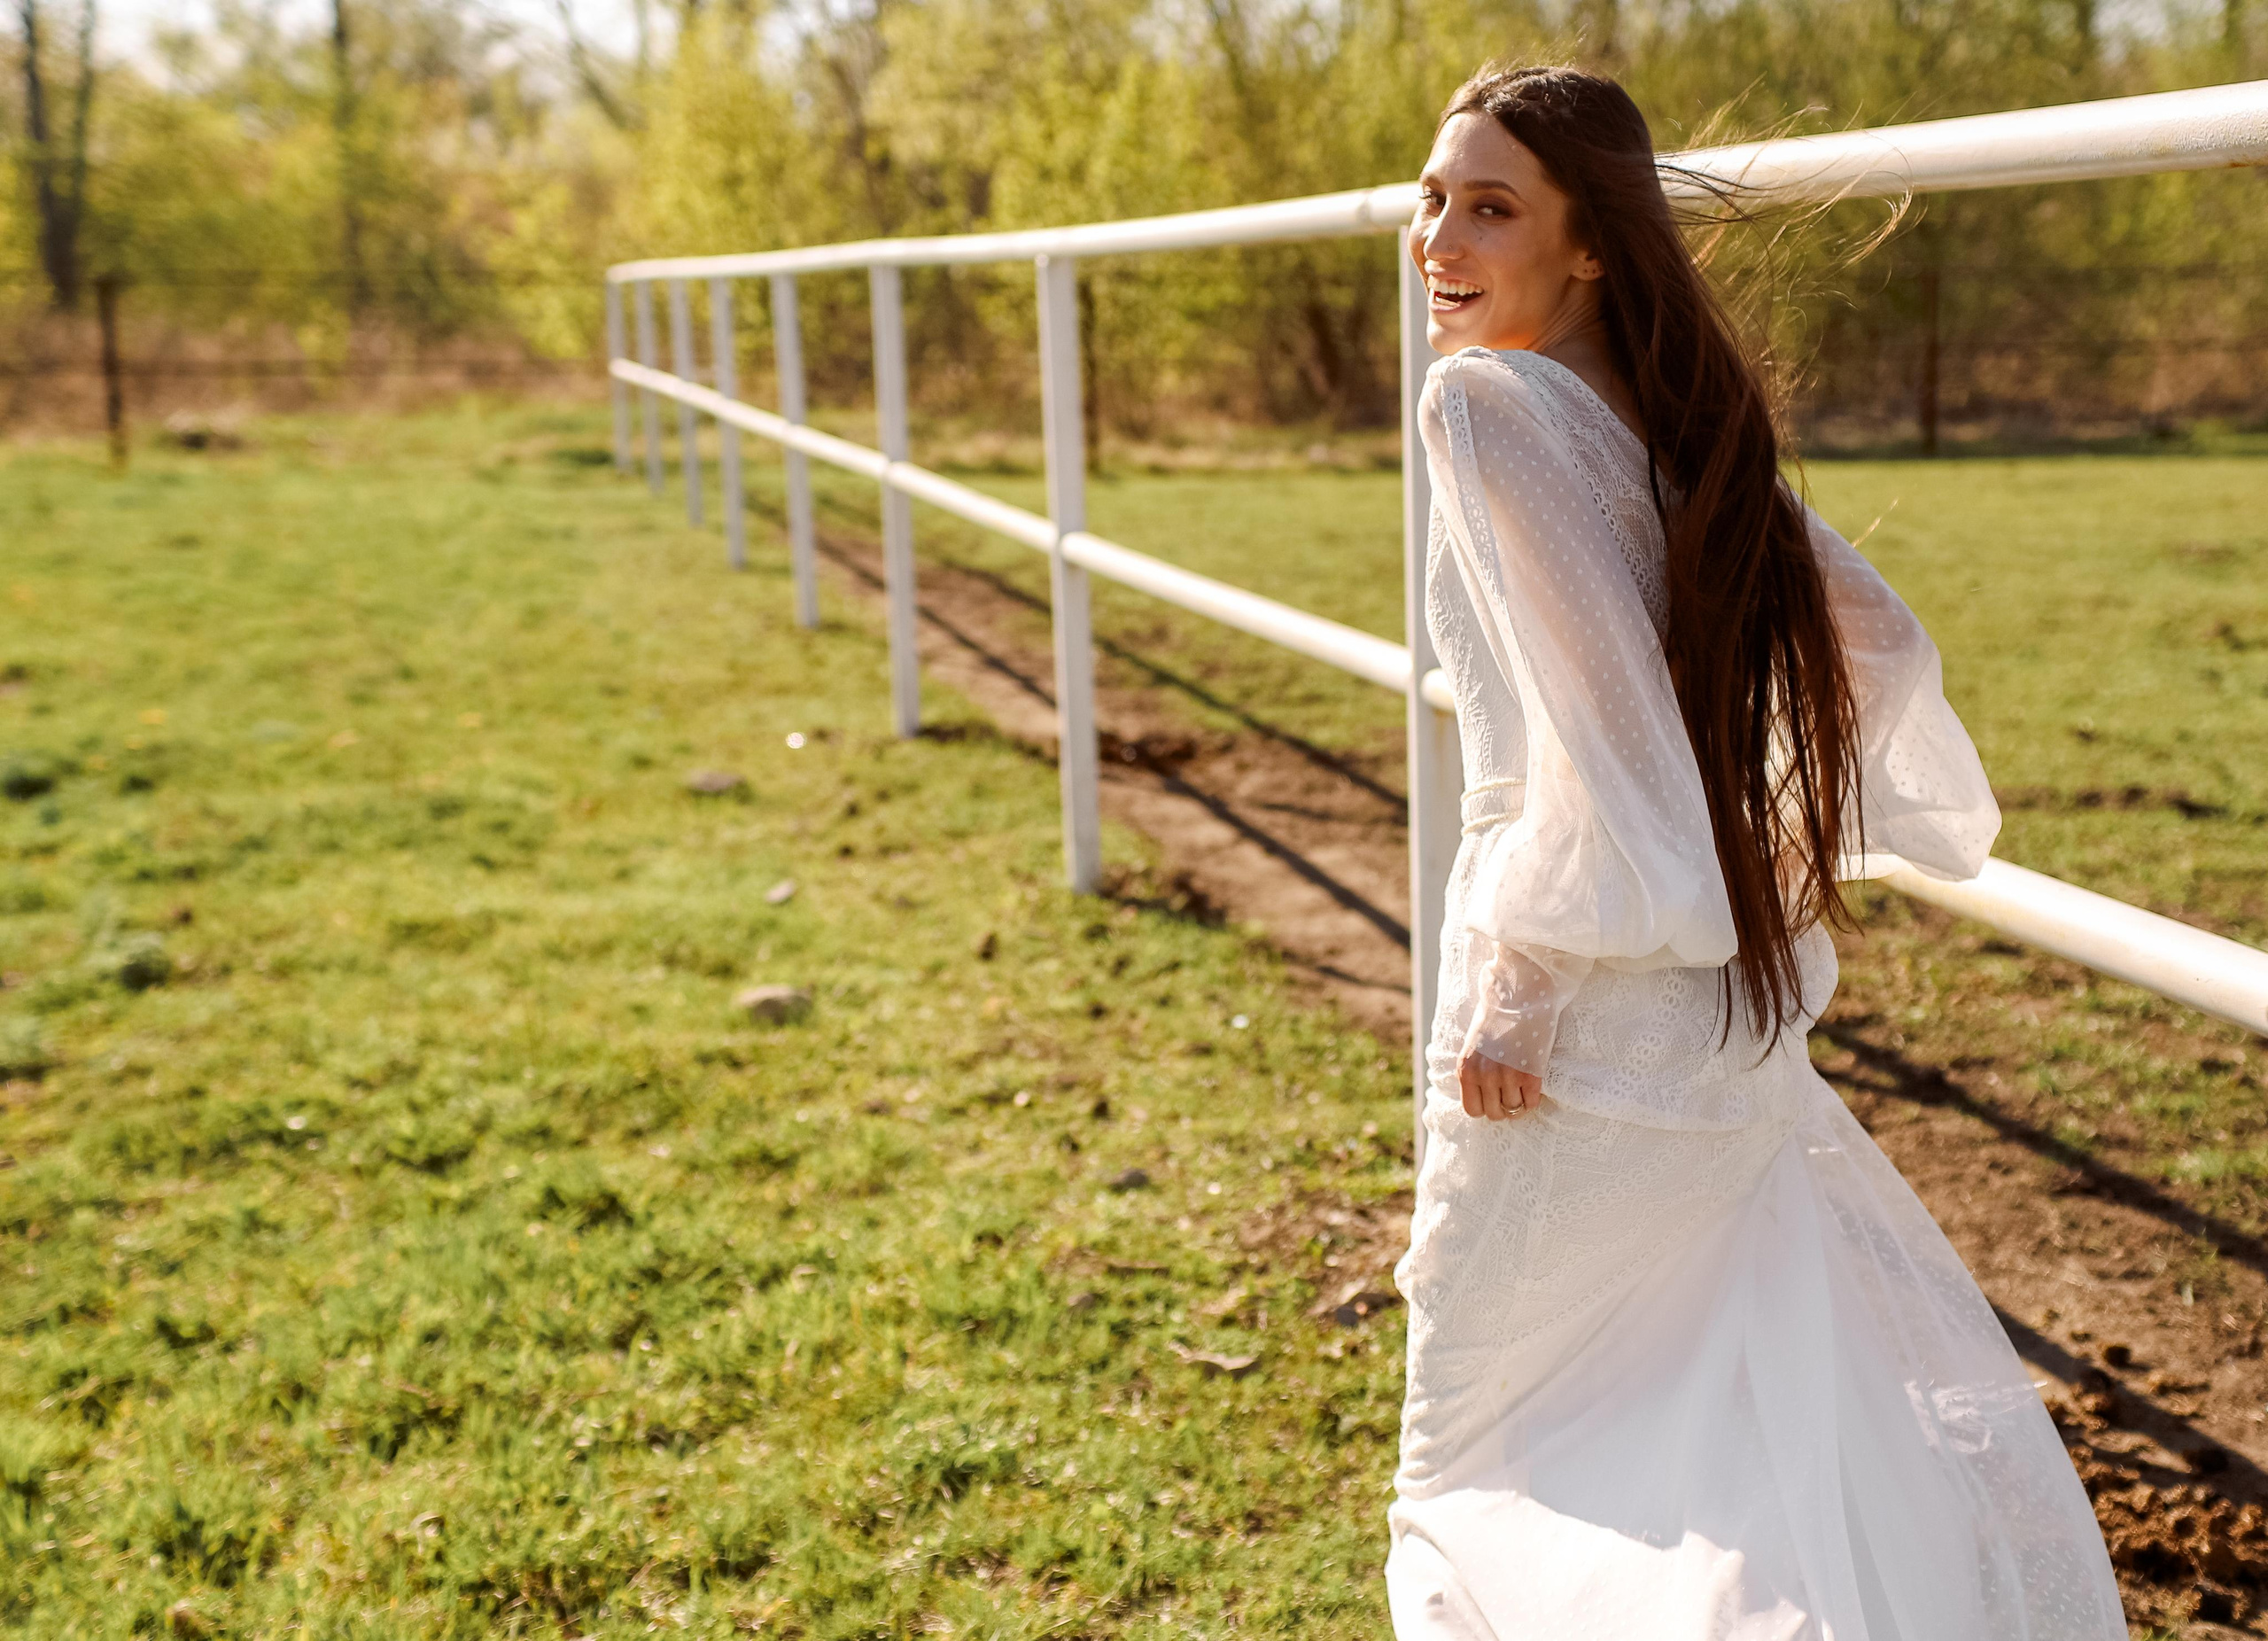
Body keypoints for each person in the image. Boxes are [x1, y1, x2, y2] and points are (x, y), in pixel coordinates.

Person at [1388, 64, 2125, 1638]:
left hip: (1575, 1007)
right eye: (1432, 197)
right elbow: (1882, 649)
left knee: (1480, 1451)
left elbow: (1593, 742)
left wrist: (1517, 983)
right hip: (1714, 1015)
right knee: (1725, 1427)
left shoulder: (1482, 406)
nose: (1437, 235)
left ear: (1591, 244)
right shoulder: (1677, 420)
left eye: (1490, 206)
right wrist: (1777, 863)